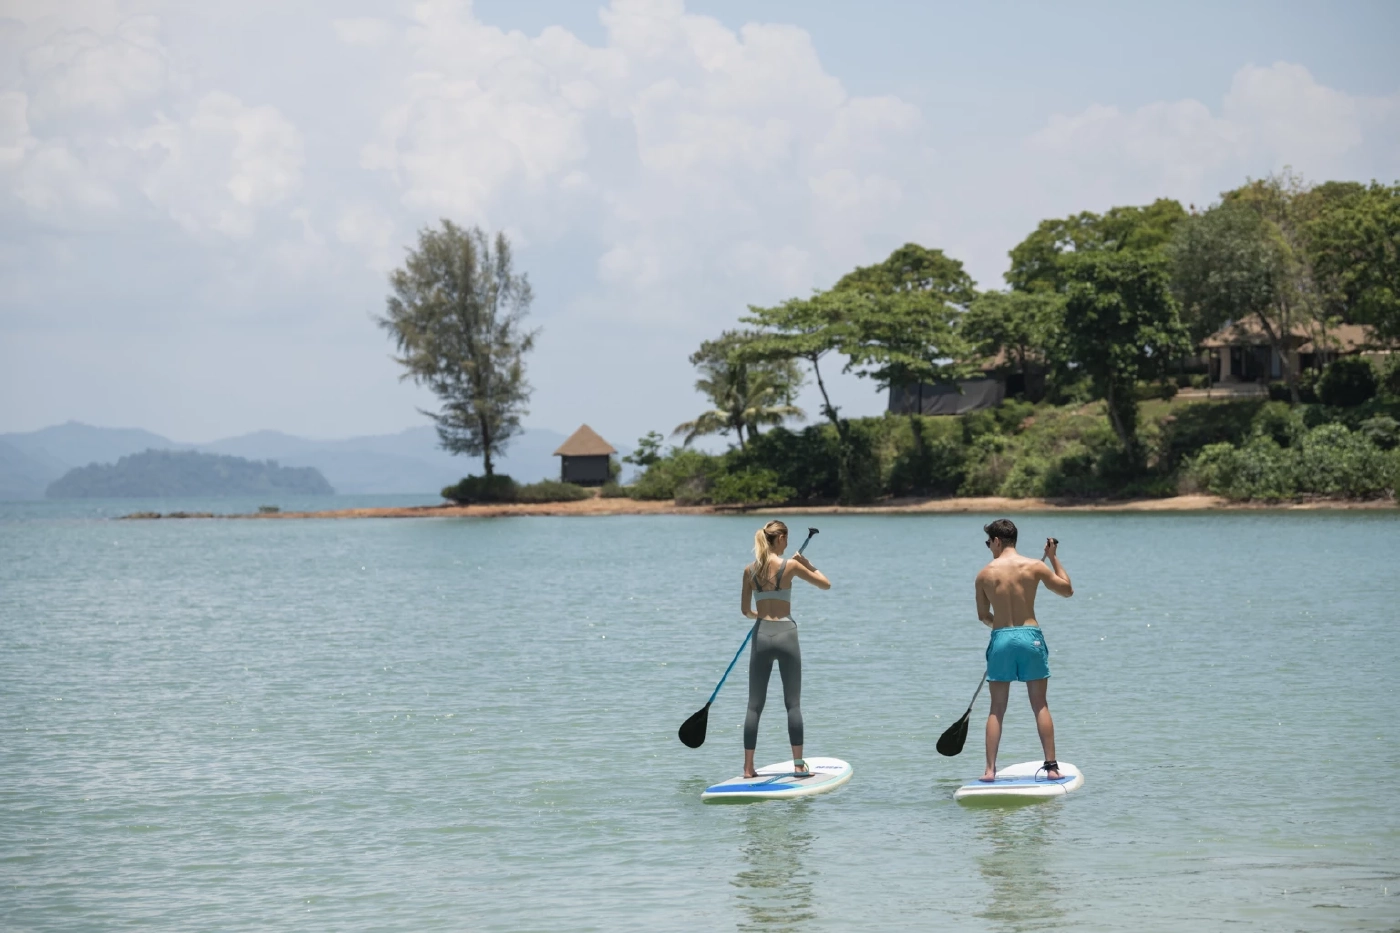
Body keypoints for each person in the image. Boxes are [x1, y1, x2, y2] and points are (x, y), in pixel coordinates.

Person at [975, 518, 1073, 782]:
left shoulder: (984, 574)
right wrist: (1053, 558)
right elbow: (1067, 590)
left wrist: (1002, 629)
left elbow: (983, 615)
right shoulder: (1034, 566)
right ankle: (1051, 767)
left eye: (988, 543)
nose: (989, 548)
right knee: (1039, 704)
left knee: (996, 708)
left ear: (997, 541)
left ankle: (989, 770)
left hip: (1001, 638)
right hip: (1031, 638)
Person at [738, 520, 831, 779]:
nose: (788, 544)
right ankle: (799, 766)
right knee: (793, 705)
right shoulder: (791, 566)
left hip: (762, 634)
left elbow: (746, 611)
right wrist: (807, 564)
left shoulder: (749, 570)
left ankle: (747, 769)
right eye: (786, 539)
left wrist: (761, 615)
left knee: (754, 706)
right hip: (787, 635)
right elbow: (825, 584)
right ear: (780, 539)